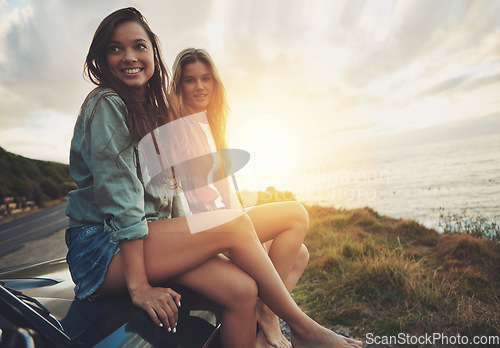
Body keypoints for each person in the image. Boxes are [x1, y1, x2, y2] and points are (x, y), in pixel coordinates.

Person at [65, 7, 362, 348]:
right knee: (232, 224)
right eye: (115, 48)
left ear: (153, 52)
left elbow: (170, 197)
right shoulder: (107, 103)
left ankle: (264, 323)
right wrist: (140, 287)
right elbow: (122, 198)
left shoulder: (150, 112)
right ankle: (304, 329)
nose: (129, 56)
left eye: (139, 46)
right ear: (102, 58)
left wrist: (197, 245)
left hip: (146, 239)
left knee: (243, 288)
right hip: (102, 248)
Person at [170, 47, 310, 348]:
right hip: (194, 232)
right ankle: (269, 315)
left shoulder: (212, 125)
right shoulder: (174, 127)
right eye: (190, 80)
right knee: (296, 214)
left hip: (220, 222)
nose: (199, 87)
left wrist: (249, 234)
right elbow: (178, 199)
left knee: (299, 254)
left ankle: (262, 328)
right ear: (179, 85)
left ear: (215, 82)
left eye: (206, 78)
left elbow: (224, 195)